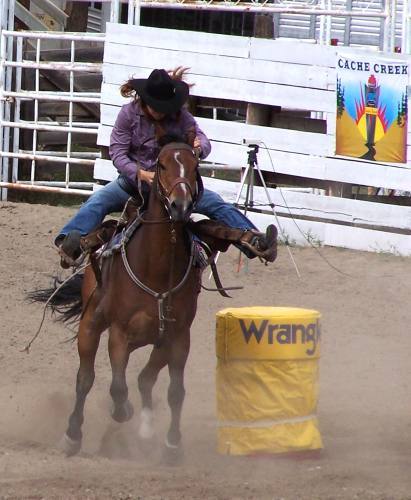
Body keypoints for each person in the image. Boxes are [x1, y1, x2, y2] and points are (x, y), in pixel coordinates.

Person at [55, 68, 277, 267]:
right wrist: (140, 173)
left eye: (163, 106)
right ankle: (70, 242)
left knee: (217, 205)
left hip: (173, 186)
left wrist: (199, 149)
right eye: (155, 106)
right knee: (99, 201)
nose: (159, 111)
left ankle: (253, 239)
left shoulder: (182, 117)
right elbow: (118, 153)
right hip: (134, 184)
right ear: (144, 99)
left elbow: (203, 140)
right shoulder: (128, 115)